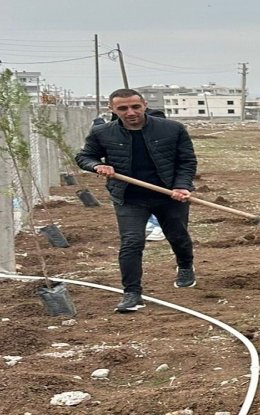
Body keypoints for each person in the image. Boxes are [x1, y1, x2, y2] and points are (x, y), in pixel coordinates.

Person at [76, 89, 197, 312]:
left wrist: (181, 185)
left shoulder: (172, 129)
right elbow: (84, 156)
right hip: (129, 197)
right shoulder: (103, 132)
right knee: (131, 242)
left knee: (178, 236)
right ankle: (132, 293)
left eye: (135, 107)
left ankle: (185, 266)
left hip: (169, 194)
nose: (130, 112)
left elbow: (186, 161)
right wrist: (97, 165)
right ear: (112, 109)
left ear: (144, 105)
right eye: (122, 108)